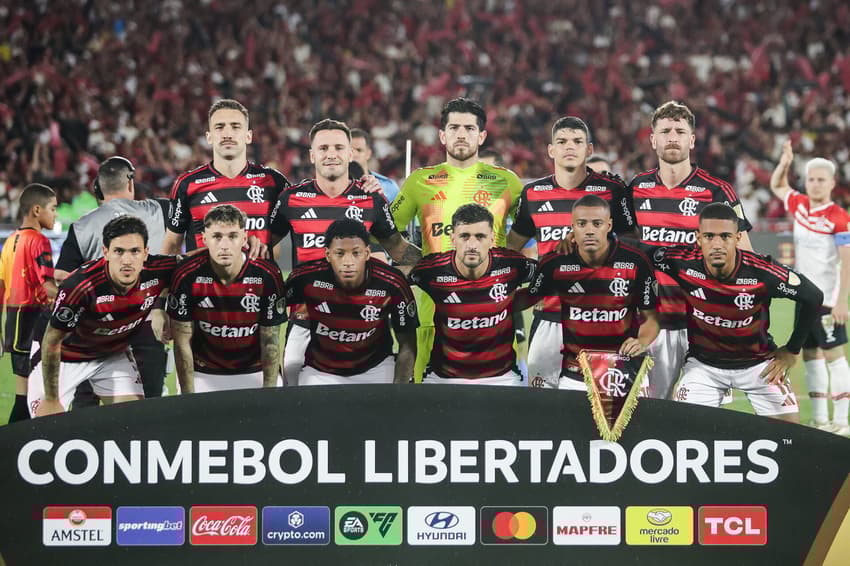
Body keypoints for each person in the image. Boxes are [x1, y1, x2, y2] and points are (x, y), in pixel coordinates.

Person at [267, 118, 421, 384]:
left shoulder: (370, 199)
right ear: (312, 155)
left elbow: (399, 251)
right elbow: (261, 246)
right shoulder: (290, 199)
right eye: (324, 148)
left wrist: (443, 265)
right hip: (307, 320)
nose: (331, 155)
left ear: (350, 153)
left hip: (365, 322)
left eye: (339, 147)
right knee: (294, 391)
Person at [392, 97, 524, 382]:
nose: (461, 134)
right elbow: (387, 231)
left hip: (494, 317)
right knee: (433, 411)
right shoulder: (419, 181)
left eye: (469, 128)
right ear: (442, 135)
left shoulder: (507, 181)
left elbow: (530, 226)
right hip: (433, 314)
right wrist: (417, 262)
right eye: (454, 128)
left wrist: (507, 256)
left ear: (482, 135)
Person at [651, 204, 823, 422]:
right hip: (704, 368)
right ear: (698, 238)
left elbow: (813, 297)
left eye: (725, 236)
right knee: (688, 431)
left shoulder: (762, 272)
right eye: (709, 236)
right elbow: (640, 252)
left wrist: (792, 349)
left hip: (758, 365)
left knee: (791, 434)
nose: (717, 244)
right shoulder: (680, 261)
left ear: (738, 237)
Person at [628, 100, 753, 400]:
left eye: (680, 131)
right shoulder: (634, 189)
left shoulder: (717, 191)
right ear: (653, 139)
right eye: (666, 131)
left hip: (705, 324)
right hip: (652, 322)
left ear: (692, 140)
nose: (673, 137)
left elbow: (746, 257)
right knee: (648, 413)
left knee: (704, 418)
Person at [507, 116, 636, 389]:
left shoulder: (611, 190)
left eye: (577, 142)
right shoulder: (533, 193)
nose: (570, 147)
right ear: (550, 150)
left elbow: (633, 249)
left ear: (589, 150)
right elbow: (511, 248)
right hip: (549, 316)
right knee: (543, 405)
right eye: (562, 141)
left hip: (599, 316)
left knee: (602, 406)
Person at [29, 216, 178, 417]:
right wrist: (52, 399)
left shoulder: (158, 269)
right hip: (66, 356)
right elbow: (52, 341)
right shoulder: (81, 286)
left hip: (110, 353)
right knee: (46, 425)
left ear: (145, 253)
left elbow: (196, 262)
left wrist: (160, 307)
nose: (127, 260)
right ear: (105, 252)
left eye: (134, 251)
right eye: (119, 251)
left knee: (132, 420)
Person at [55, 156, 170, 401]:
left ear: (98, 188)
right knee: (148, 405)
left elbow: (62, 277)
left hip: (96, 330)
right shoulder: (160, 210)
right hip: (147, 325)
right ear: (131, 184)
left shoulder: (82, 226)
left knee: (86, 405)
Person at [521, 195, 658, 389]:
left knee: (632, 420)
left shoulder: (636, 261)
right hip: (575, 374)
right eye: (582, 224)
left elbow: (651, 317)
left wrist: (642, 340)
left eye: (597, 224)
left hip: (623, 371)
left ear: (609, 226)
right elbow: (527, 298)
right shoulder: (555, 262)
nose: (590, 231)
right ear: (572, 227)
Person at [770, 140, 850, 435]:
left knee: (835, 357)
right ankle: (820, 420)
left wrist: (842, 301)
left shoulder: (839, 219)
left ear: (832, 183)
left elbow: (847, 262)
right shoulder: (800, 205)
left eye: (821, 180)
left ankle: (842, 422)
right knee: (812, 357)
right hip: (805, 300)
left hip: (828, 300)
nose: (815, 184)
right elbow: (777, 186)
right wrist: (785, 163)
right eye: (811, 179)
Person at [409, 204, 536, 385]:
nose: (472, 245)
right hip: (443, 378)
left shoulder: (512, 265)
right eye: (464, 236)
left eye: (480, 236)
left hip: (502, 377)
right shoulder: (431, 270)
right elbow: (394, 282)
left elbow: (548, 276)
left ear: (492, 238)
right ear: (453, 238)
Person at [168, 204, 286, 392]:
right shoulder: (186, 275)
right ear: (204, 239)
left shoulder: (267, 274)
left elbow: (270, 342)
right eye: (216, 237)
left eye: (232, 236)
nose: (224, 245)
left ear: (244, 239)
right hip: (204, 372)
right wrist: (188, 397)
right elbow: (182, 343)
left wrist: (269, 393)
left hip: (253, 370)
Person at [285, 218, 417, 385]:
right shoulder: (305, 278)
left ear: (367, 253)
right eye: (340, 253)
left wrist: (399, 390)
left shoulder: (392, 282)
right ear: (328, 254)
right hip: (321, 372)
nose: (348, 262)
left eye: (356, 253)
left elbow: (408, 343)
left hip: (377, 368)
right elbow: (269, 313)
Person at [161, 99, 291, 255]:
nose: (227, 134)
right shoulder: (187, 184)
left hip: (258, 279)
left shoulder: (274, 182)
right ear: (209, 137)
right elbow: (171, 245)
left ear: (248, 136)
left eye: (235, 127)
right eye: (219, 127)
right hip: (202, 279)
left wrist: (264, 246)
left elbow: (284, 232)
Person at [0, 184, 58, 422]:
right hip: (35, 319)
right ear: (37, 210)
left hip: (14, 322)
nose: (55, 214)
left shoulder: (11, 240)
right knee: (42, 395)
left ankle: (13, 445)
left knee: (22, 396)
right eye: (53, 208)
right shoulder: (39, 241)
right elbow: (47, 285)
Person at [350, 128, 401, 202]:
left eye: (359, 150)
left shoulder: (388, 186)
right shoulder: (334, 186)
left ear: (368, 154)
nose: (354, 154)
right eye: (350, 150)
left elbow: (398, 213)